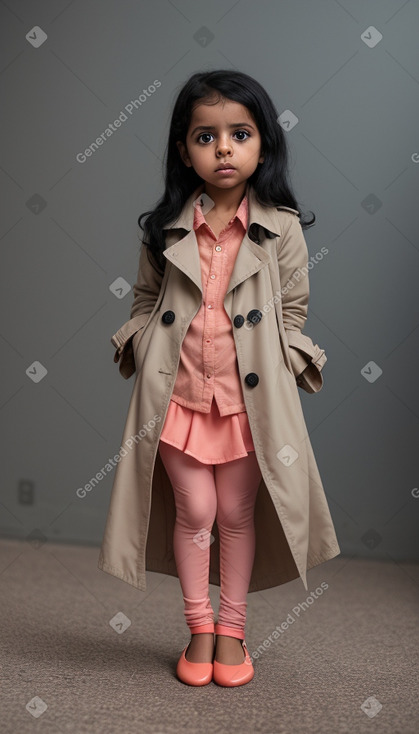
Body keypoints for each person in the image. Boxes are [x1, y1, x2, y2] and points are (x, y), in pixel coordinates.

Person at [98, 69, 340, 687]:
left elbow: (292, 310)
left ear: (263, 145)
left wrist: (285, 364)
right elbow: (144, 300)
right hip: (175, 397)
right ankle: (198, 625)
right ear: (185, 149)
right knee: (194, 510)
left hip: (246, 402)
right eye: (206, 137)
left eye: (240, 133)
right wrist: (143, 341)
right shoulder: (163, 227)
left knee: (235, 513)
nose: (224, 148)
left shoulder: (281, 228)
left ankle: (232, 631)